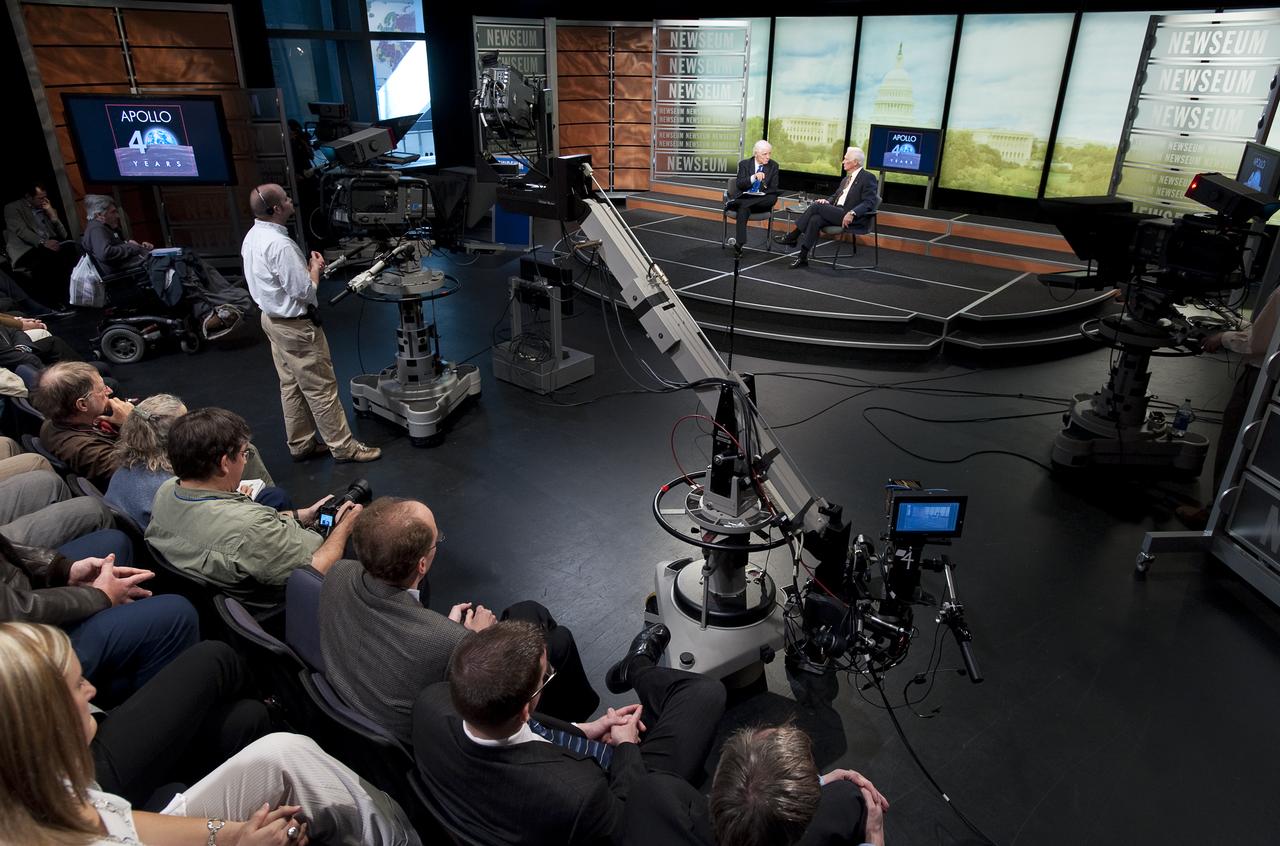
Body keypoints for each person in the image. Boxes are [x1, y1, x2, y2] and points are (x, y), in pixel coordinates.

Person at [0, 622, 421, 846]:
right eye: (77, 686)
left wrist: (231, 833)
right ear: (45, 724)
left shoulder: (47, 781)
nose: (90, 690)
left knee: (282, 752)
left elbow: (115, 820)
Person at [412, 620, 726, 845]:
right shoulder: (579, 794)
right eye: (545, 679)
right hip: (614, 791)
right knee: (705, 694)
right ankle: (638, 667)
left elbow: (527, 730)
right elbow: (627, 813)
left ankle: (637, 667)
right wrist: (626, 746)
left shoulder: (431, 704)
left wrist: (584, 731)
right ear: (524, 709)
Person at [320, 496, 599, 744]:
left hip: (352, 710)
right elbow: (483, 698)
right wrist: (477, 640)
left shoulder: (338, 573)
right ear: (421, 564)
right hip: (428, 743)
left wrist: (447, 629)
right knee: (557, 641)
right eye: (436, 540)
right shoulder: (450, 643)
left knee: (528, 611)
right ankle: (573, 728)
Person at [146, 407, 359, 600]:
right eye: (243, 453)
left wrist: (300, 515)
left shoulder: (166, 492)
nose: (246, 459)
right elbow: (315, 570)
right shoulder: (252, 528)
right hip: (282, 602)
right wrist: (343, 528)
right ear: (224, 463)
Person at [241, 183, 380, 463]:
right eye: (286, 198)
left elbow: (280, 282)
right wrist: (314, 270)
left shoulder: (253, 236)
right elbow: (305, 292)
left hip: (272, 321)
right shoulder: (280, 244)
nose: (292, 200)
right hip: (296, 328)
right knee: (321, 388)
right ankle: (344, 447)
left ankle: (301, 444)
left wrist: (305, 272)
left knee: (290, 385)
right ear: (277, 208)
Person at [0, 525, 199, 707]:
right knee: (175, 614)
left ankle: (123, 662)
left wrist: (63, 569)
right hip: (18, 653)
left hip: (17, 593)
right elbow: (15, 612)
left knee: (114, 543)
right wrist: (99, 596)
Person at [619, 723, 890, 846]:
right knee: (851, 797)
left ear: (717, 778)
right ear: (798, 833)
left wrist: (813, 785)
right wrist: (875, 836)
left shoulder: (651, 796)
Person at [34, 362, 276, 494]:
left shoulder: (67, 421)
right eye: (101, 390)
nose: (108, 391)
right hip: (158, 483)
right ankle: (269, 503)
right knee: (244, 450)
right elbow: (139, 464)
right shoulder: (80, 449)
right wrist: (135, 421)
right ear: (82, 404)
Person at [105, 393, 291, 528]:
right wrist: (241, 501)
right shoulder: (172, 486)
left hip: (156, 547)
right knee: (273, 493)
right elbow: (210, 524)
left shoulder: (123, 467)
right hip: (189, 550)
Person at [1177, 285, 1280, 528]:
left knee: (1238, 440)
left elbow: (1257, 344)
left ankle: (1216, 516)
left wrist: (1222, 337)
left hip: (1263, 379)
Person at [80, 194, 250, 339]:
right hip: (131, 277)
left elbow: (111, 250)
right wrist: (132, 247)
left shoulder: (100, 228)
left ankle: (217, 302)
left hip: (137, 268)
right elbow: (105, 253)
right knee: (183, 266)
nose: (117, 216)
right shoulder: (96, 229)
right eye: (113, 212)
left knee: (188, 258)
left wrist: (137, 247)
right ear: (99, 215)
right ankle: (210, 309)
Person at [775, 147, 879, 268]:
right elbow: (836, 196)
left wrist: (852, 212)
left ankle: (793, 236)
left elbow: (869, 202)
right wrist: (827, 201)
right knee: (815, 219)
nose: (843, 161)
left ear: (855, 162)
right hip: (837, 212)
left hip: (850, 217)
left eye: (846, 159)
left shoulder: (867, 177)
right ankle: (802, 257)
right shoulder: (846, 179)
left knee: (817, 206)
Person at [3, 182, 78, 304]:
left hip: (46, 247)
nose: (44, 201)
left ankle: (72, 297)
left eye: (45, 197)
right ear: (28, 197)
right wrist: (43, 242)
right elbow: (21, 231)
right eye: (40, 198)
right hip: (26, 249)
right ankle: (57, 302)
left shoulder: (45, 208)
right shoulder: (13, 208)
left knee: (70, 252)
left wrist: (53, 217)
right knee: (47, 260)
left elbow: (63, 235)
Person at [727, 140, 780, 248]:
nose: (768, 157)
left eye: (769, 153)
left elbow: (773, 188)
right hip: (746, 199)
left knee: (772, 197)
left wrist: (761, 190)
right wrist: (754, 177)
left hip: (761, 203)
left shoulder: (773, 166)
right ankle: (739, 244)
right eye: (764, 154)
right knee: (743, 209)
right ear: (756, 154)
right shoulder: (744, 164)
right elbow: (740, 185)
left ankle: (736, 203)